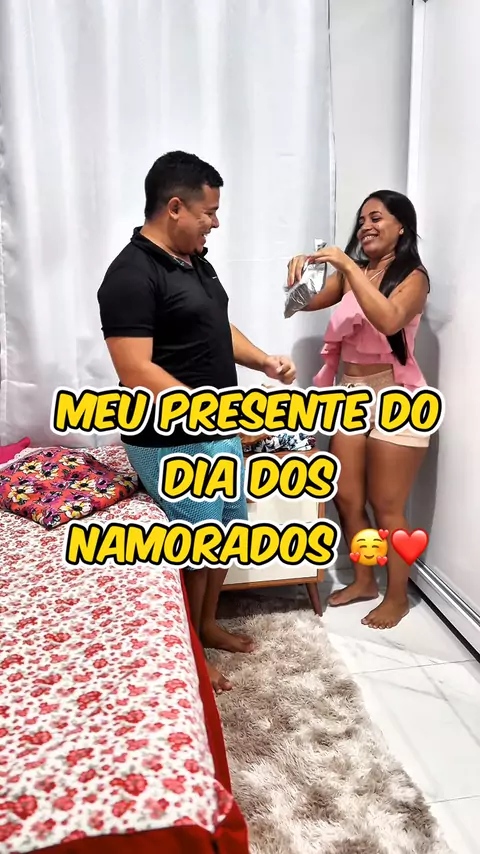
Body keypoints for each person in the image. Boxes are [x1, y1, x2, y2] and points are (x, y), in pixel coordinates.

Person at [97, 150, 296, 692]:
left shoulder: (195, 261)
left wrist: (263, 361)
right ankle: (185, 651)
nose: (215, 222)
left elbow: (217, 325)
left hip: (216, 428)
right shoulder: (129, 275)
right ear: (175, 208)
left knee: (226, 532)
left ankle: (206, 626)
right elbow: (135, 370)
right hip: (168, 438)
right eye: (209, 212)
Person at [287, 190, 430, 629]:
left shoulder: (414, 277)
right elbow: (299, 304)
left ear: (401, 226)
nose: (366, 225)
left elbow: (389, 320)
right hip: (349, 394)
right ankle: (365, 580)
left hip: (396, 395)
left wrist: (347, 266)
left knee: (387, 505)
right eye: (362, 219)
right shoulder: (355, 273)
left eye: (376, 218)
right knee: (346, 496)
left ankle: (397, 597)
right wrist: (302, 272)